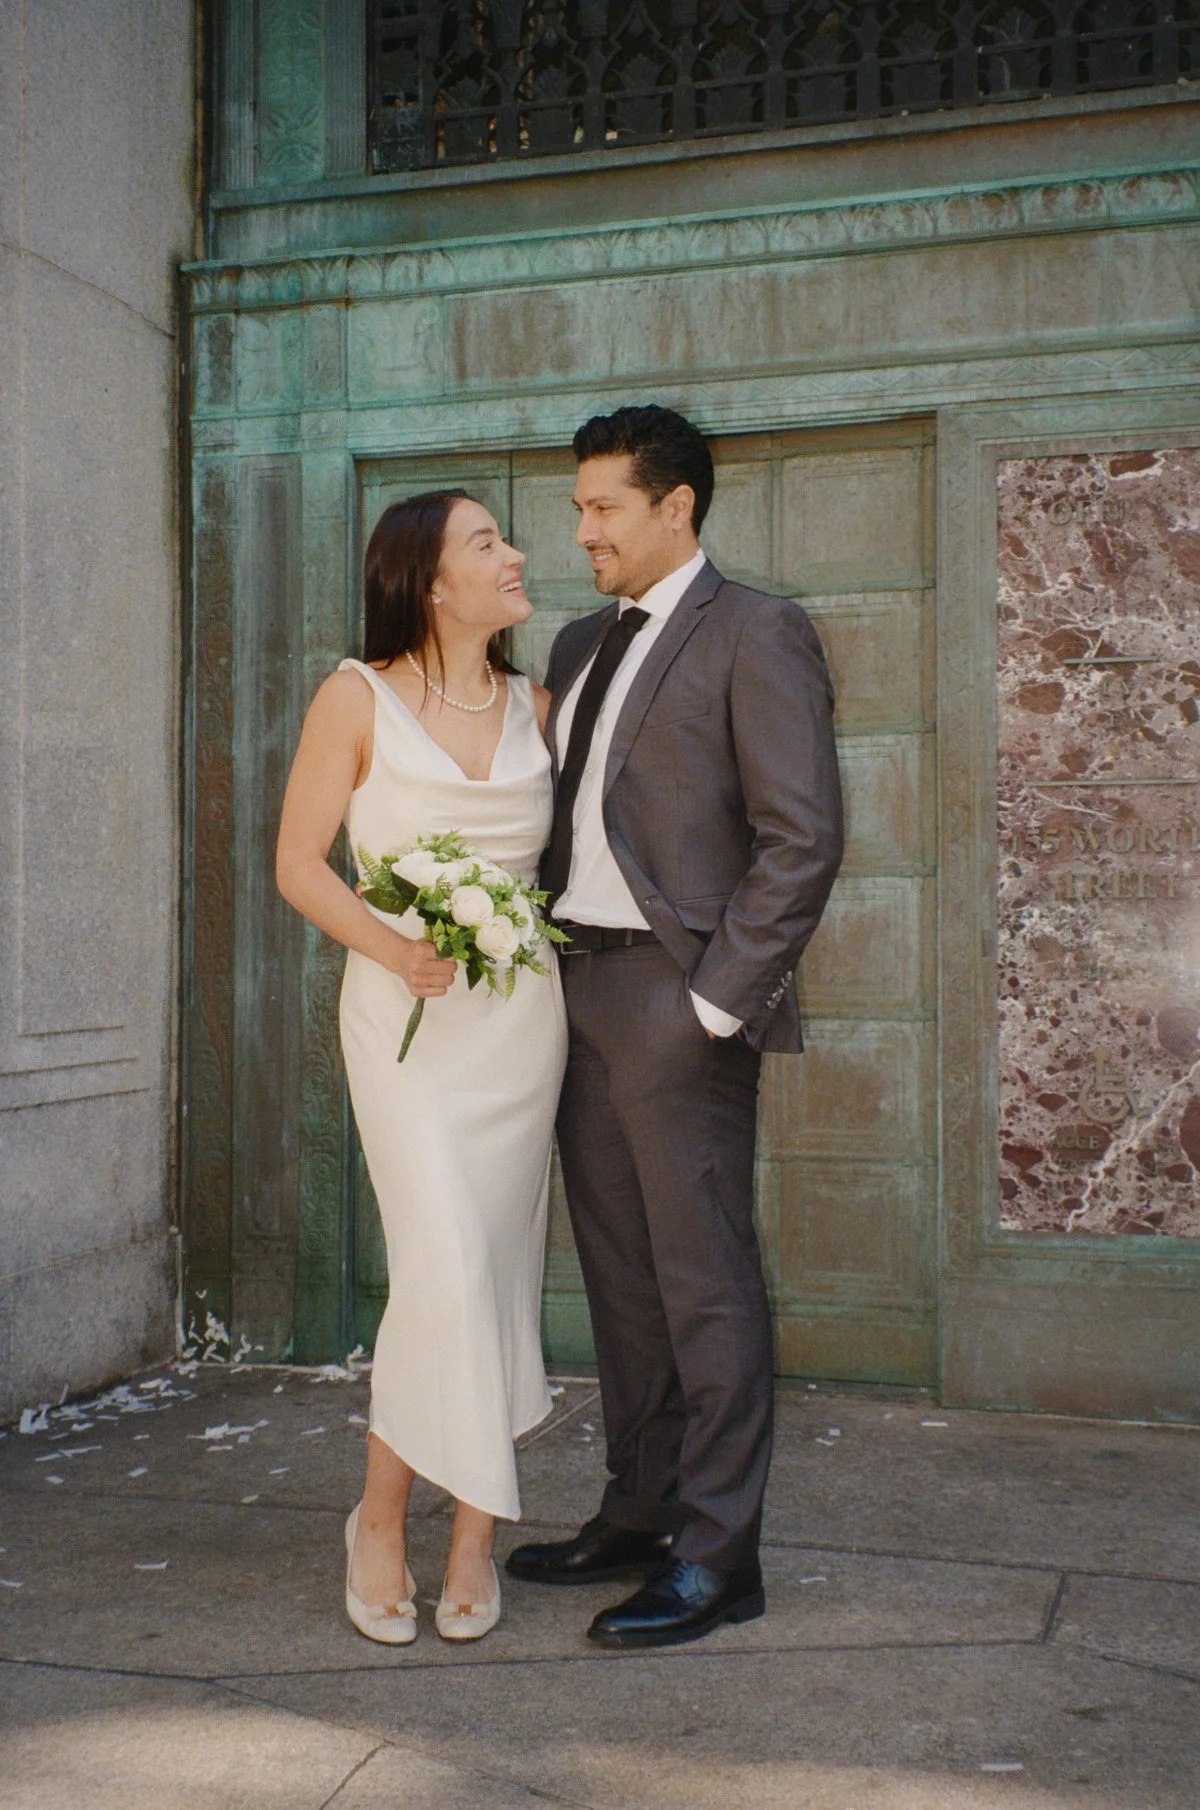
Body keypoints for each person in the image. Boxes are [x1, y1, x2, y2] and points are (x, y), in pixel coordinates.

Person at [506, 405, 844, 1648]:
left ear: (675, 507)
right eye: (580, 504)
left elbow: (801, 837)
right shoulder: (581, 637)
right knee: (620, 1277)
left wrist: (713, 1000)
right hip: (573, 986)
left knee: (703, 1280)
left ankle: (719, 1553)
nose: (581, 528)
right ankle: (640, 1511)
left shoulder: (758, 631)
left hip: (674, 995)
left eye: (602, 505)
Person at [276, 490, 567, 1646]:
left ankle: (473, 1537)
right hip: (402, 1021)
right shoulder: (356, 696)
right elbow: (300, 863)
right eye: (488, 542)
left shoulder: (539, 703)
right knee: (441, 1264)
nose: (518, 553)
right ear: (431, 583)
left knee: (493, 1271)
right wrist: (397, 945)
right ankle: (383, 1520)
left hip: (518, 1024)